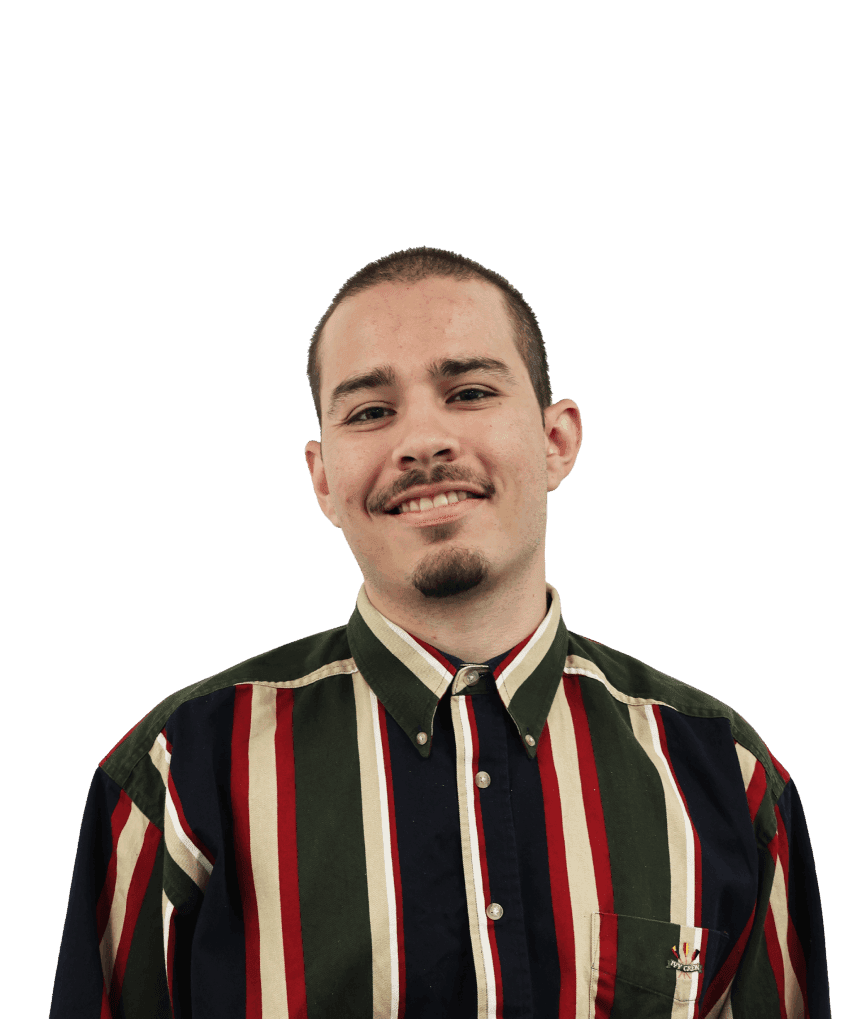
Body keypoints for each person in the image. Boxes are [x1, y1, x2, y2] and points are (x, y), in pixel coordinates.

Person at [51, 247, 829, 1018]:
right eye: (370, 411)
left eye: (468, 391)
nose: (422, 441)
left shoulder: (728, 775)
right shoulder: (182, 769)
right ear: (323, 477)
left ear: (557, 440)